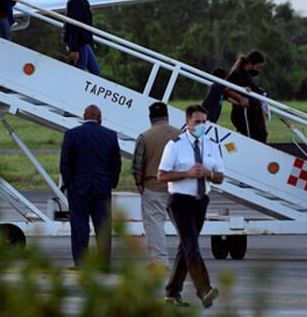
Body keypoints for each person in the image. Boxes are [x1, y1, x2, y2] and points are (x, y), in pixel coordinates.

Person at [158, 105, 223, 308]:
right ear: (187, 122)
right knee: (191, 246)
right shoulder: (175, 145)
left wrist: (208, 173)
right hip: (180, 201)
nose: (201, 125)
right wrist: (186, 174)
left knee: (185, 247)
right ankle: (204, 289)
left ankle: (172, 292)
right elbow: (161, 175)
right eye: (197, 122)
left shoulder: (211, 145)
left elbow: (220, 176)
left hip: (201, 200)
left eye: (204, 121)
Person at [60, 105, 121, 269]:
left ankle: (81, 262)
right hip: (102, 187)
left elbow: (65, 163)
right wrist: (111, 183)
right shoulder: (110, 135)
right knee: (102, 226)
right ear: (99, 118)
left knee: (79, 224)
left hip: (79, 186)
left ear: (84, 116)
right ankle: (103, 263)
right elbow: (116, 164)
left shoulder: (72, 135)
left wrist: (68, 183)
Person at [131, 102, 181, 267]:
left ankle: (160, 262)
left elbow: (137, 165)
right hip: (179, 188)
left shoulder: (145, 136)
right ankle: (189, 260)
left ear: (150, 117)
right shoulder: (181, 135)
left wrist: (139, 184)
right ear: (167, 116)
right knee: (184, 227)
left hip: (153, 187)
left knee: (155, 226)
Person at [226, 51, 268, 143]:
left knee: (262, 135)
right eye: (258, 67)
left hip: (254, 113)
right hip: (244, 114)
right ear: (250, 63)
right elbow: (226, 90)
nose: (258, 70)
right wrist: (240, 99)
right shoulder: (237, 73)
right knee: (253, 137)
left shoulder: (246, 74)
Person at [63, 0, 100, 75]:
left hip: (84, 40)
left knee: (96, 70)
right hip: (78, 41)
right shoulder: (76, 1)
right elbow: (73, 26)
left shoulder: (83, 0)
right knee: (80, 70)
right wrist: (74, 49)